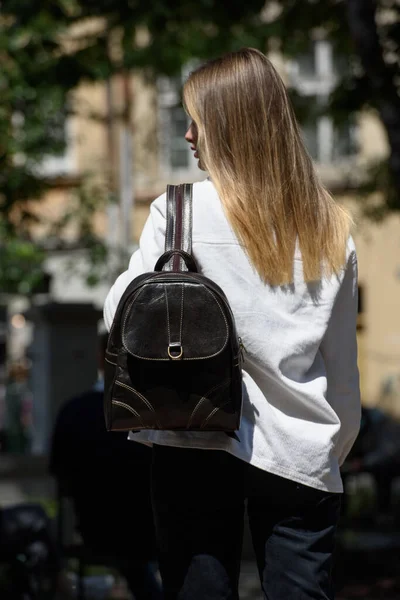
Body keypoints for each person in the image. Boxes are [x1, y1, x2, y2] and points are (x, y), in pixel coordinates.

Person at [103, 48, 361, 600]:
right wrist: (330, 450)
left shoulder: (177, 213)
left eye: (196, 119)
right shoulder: (331, 225)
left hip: (191, 433)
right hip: (300, 445)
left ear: (227, 123)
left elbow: (118, 314)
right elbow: (341, 368)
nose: (189, 135)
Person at [49, 333, 162, 600]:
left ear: (101, 357)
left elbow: (60, 478)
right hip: (147, 532)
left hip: (93, 529)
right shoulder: (156, 415)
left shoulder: (73, 412)